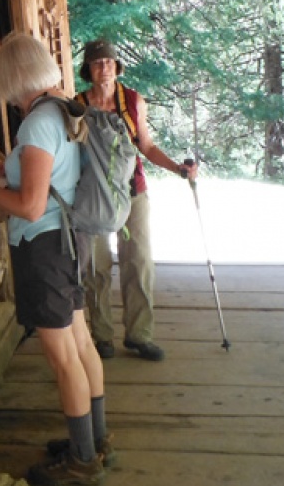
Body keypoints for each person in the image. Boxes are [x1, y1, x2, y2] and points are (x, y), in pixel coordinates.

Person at [0, 32, 112, 486]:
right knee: (81, 344)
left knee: (63, 356)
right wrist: (10, 170)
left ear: (11, 77)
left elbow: (29, 205)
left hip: (45, 246)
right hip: (69, 241)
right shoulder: (65, 110)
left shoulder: (36, 124)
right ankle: (96, 442)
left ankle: (83, 461)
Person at [76, 39, 197, 362]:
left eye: (110, 62)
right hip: (94, 195)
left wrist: (176, 168)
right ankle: (102, 336)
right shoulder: (76, 105)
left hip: (133, 191)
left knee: (139, 261)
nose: (105, 68)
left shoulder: (132, 101)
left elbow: (146, 144)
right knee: (96, 266)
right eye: (98, 62)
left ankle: (139, 334)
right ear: (88, 68)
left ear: (118, 67)